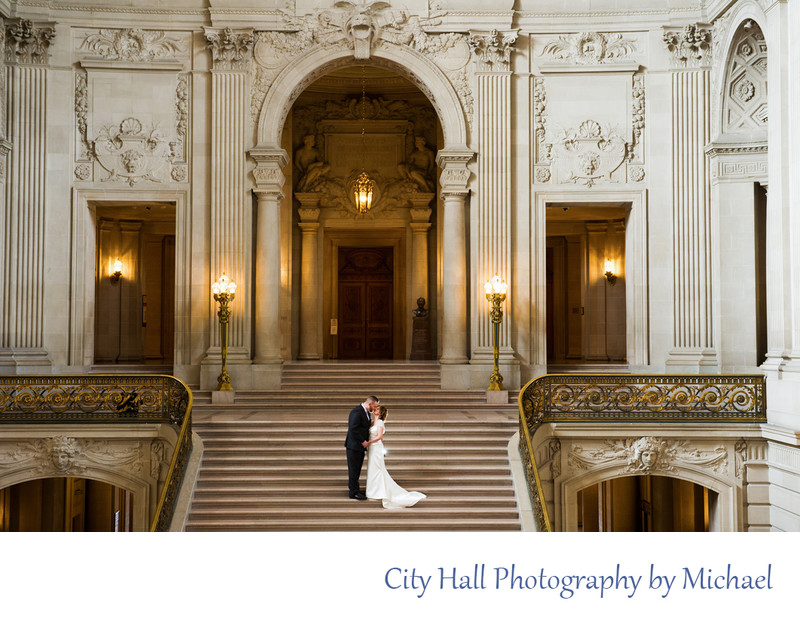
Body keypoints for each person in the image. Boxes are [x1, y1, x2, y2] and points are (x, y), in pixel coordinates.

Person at [366, 405, 426, 509]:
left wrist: (369, 442)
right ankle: (374, 490)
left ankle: (377, 491)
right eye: (375, 409)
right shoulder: (372, 422)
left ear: (381, 413)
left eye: (377, 409)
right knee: (372, 468)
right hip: (372, 448)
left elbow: (379, 437)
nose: (375, 409)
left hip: (375, 447)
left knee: (378, 469)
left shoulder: (380, 422)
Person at [344, 395, 379, 500]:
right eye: (374, 406)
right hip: (354, 446)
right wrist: (362, 441)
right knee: (353, 470)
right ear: (370, 404)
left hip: (359, 447)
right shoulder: (357, 412)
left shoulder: (367, 412)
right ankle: (353, 492)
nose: (375, 409)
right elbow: (353, 429)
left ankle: (356, 489)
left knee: (357, 469)